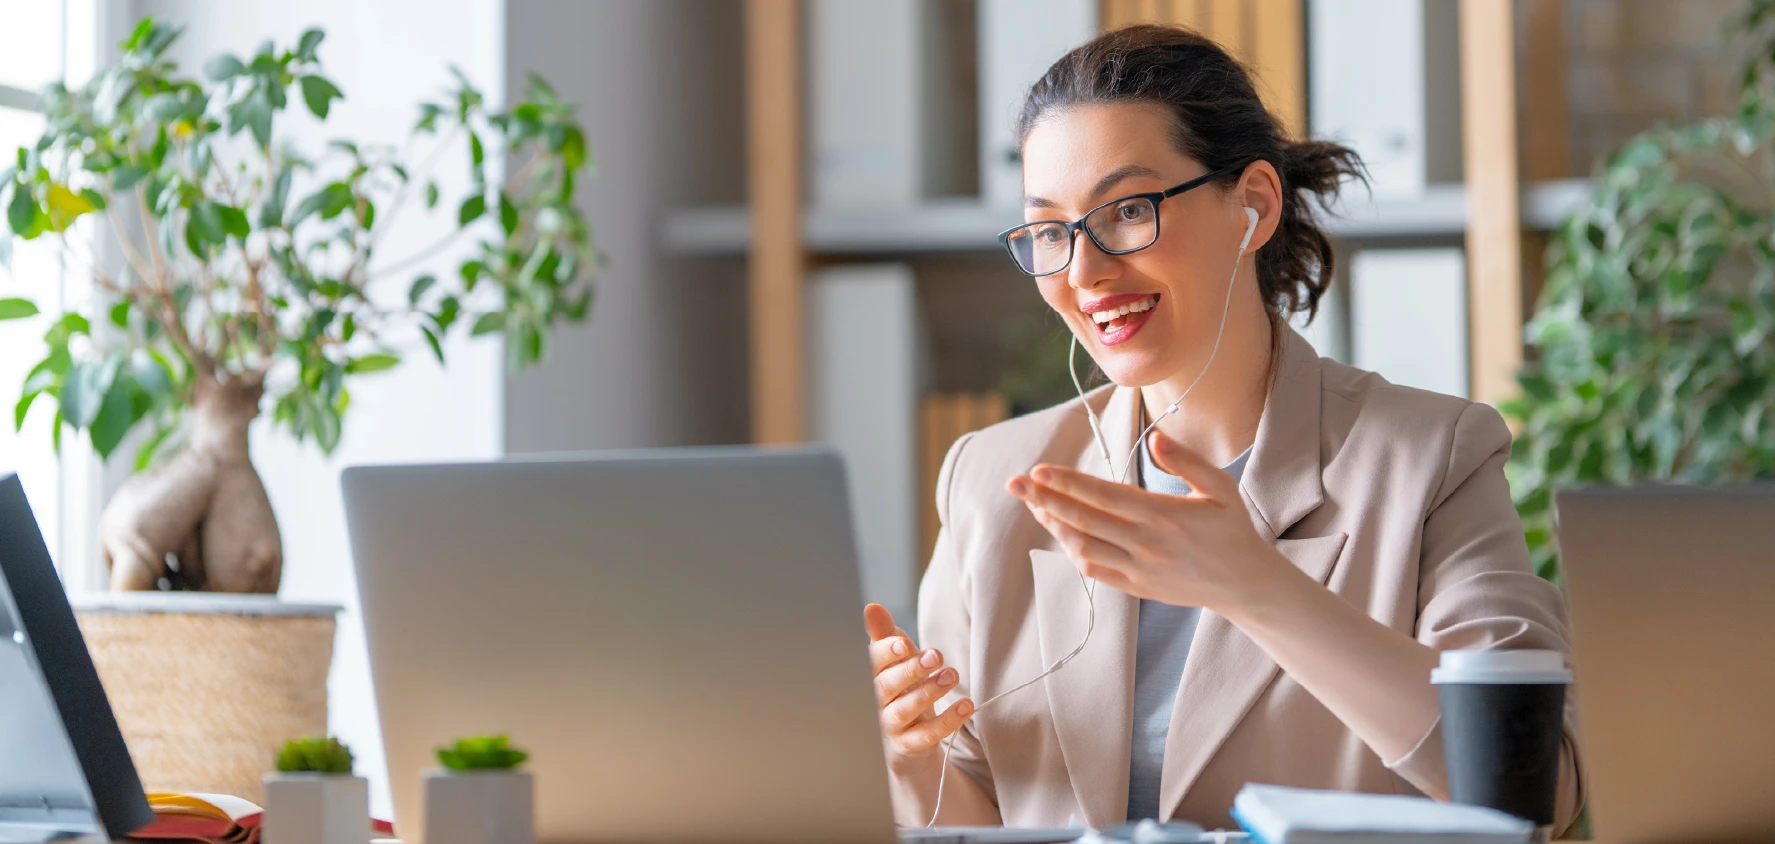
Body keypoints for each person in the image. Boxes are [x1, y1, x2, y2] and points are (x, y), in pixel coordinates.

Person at [860, 24, 1584, 833]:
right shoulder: (989, 477)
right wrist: (907, 755)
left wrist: (1256, 587)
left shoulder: (1428, 457)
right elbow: (983, 813)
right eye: (1049, 231)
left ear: (1253, 206)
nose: (1084, 272)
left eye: (1128, 211)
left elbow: (1532, 790)